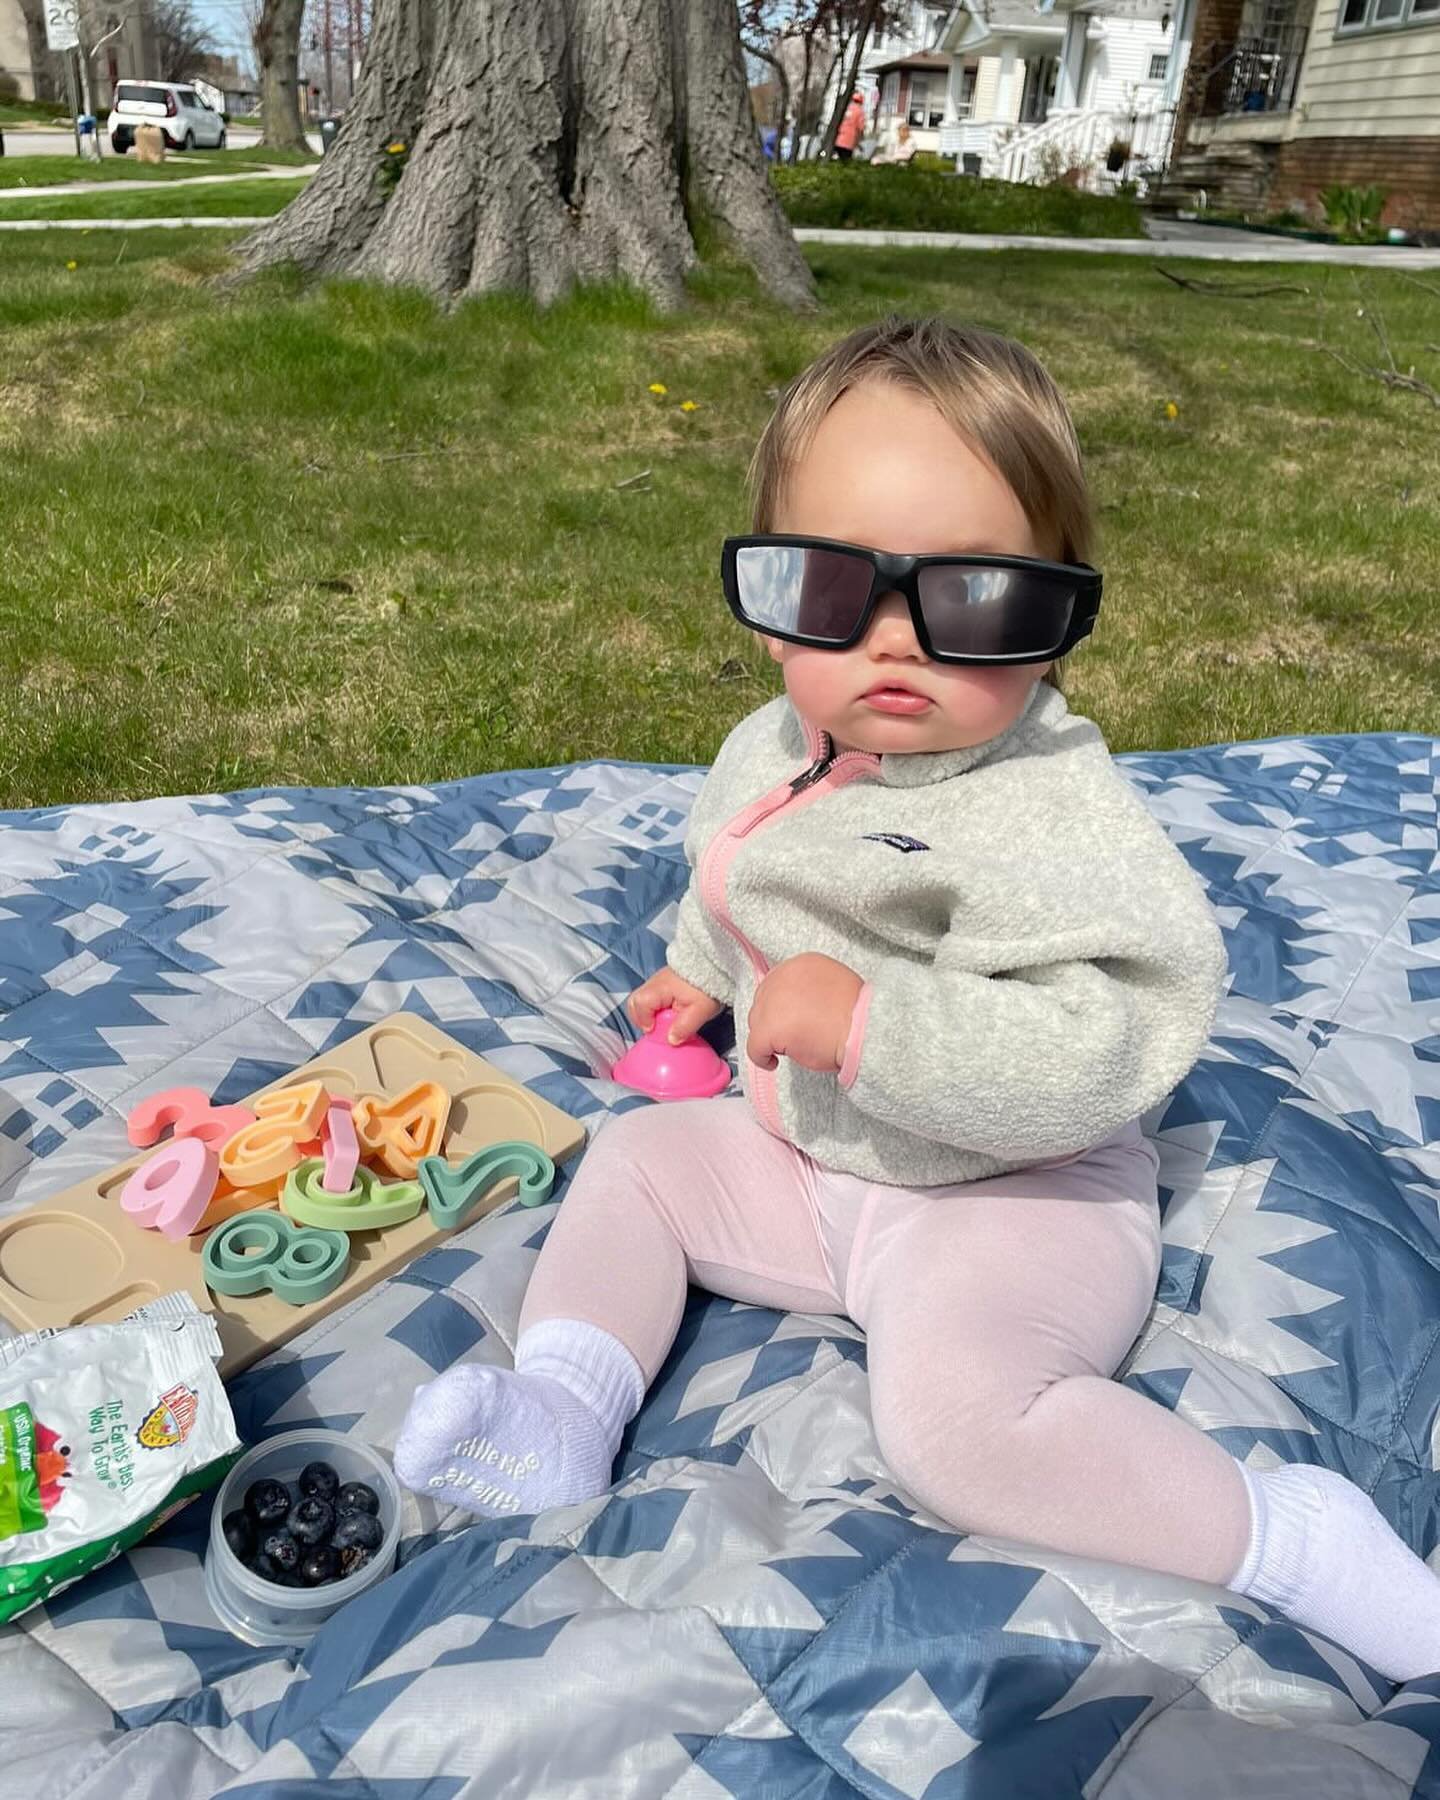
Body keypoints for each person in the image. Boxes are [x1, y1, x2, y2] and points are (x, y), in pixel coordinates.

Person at [395, 317, 1440, 1685]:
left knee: (956, 1429)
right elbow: (737, 871)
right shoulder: (777, 742)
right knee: (641, 1159)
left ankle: (1296, 1540)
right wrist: (702, 973)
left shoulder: (1053, 813)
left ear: (1059, 619)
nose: (893, 645)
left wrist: (881, 1027)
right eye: (828, 589)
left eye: (980, 603)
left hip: (1008, 1195)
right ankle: (563, 1412)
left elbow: (1120, 1034)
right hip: (813, 1159)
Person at [833, 89, 867, 161]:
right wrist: (861, 137)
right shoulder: (860, 111)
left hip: (838, 138)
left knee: (837, 157)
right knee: (846, 159)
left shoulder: (845, 108)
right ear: (861, 101)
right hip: (849, 140)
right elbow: (861, 126)